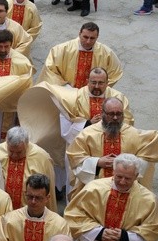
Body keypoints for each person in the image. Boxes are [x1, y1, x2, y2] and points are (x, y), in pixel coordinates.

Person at [17, 67, 134, 198]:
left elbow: (128, 122)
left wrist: (109, 123)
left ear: (107, 83)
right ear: (87, 81)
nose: (96, 86)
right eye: (93, 82)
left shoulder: (119, 98)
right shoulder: (74, 97)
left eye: (101, 83)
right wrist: (88, 124)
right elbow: (66, 129)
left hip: (112, 147)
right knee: (75, 188)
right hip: (79, 150)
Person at [64, 153, 158, 241]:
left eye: (127, 178)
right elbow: (74, 215)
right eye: (119, 176)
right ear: (113, 172)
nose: (122, 182)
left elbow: (153, 228)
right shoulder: (93, 189)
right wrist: (99, 233)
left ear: (136, 176)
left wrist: (125, 237)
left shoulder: (148, 200)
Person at [66, 97, 158, 198]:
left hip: (127, 190)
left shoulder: (134, 134)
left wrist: (128, 165)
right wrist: (97, 162)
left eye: (119, 114)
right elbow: (75, 160)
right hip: (95, 191)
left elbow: (148, 155)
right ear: (103, 113)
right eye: (111, 114)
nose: (115, 118)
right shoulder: (87, 135)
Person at [0, 126, 57, 211]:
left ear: (27, 144)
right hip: (2, 210)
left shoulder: (42, 158)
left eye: (19, 152)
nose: (14, 155)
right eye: (11, 151)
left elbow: (47, 190)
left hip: (30, 212)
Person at [38, 22, 123, 88]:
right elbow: (50, 70)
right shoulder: (61, 49)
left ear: (97, 37)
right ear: (79, 34)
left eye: (92, 38)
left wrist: (99, 87)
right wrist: (64, 86)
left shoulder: (106, 53)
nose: (88, 41)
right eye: (85, 37)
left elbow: (115, 72)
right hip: (66, 93)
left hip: (92, 94)